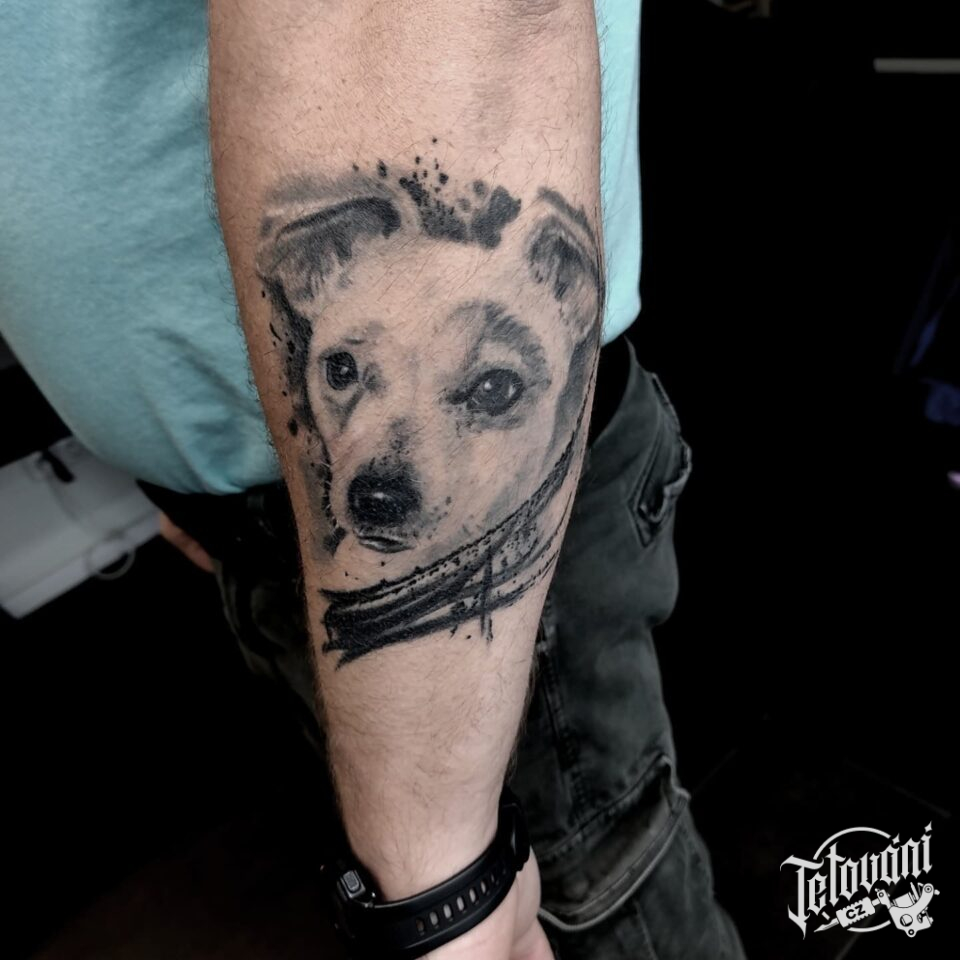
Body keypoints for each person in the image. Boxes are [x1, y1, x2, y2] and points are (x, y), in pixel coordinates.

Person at [0, 1, 744, 957]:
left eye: (485, 387)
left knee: (600, 899)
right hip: (254, 520)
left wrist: (441, 881)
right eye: (348, 371)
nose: (380, 475)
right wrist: (175, 455)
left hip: (491, 568)